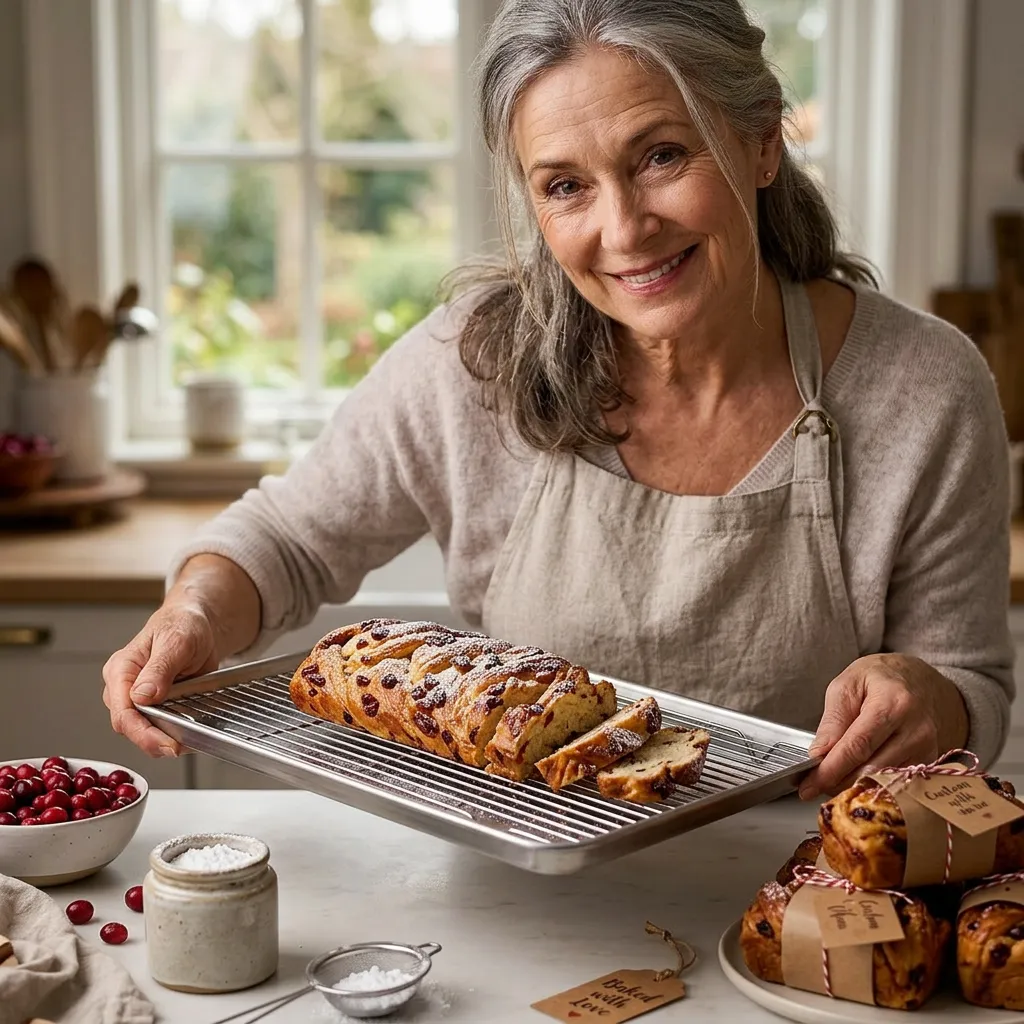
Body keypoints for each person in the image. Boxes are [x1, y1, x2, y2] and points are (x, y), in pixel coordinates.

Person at [103, 0, 1013, 800]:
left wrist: (929, 699)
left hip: (803, 891)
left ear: (763, 140)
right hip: (514, 882)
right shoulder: (473, 365)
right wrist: (194, 615)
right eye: (566, 186)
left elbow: (969, 687)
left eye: (662, 155)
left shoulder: (924, 386)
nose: (624, 229)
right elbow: (286, 542)